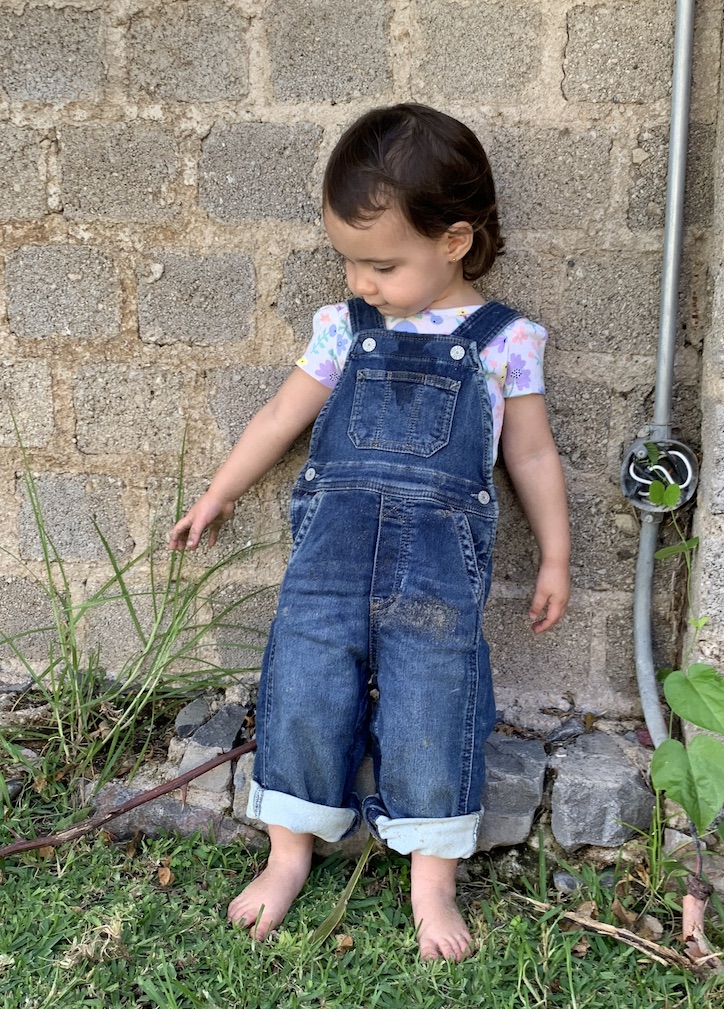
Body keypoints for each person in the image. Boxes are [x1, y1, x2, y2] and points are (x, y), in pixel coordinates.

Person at [170, 103, 570, 962]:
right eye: (348, 262)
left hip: (437, 577)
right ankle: (288, 854)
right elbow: (280, 416)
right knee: (304, 687)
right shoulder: (342, 332)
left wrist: (556, 555)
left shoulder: (504, 343)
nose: (360, 282)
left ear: (455, 241)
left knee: (436, 701)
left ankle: (433, 881)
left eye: (382, 265)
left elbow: (532, 455)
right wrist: (219, 493)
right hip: (330, 564)